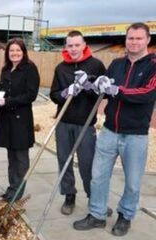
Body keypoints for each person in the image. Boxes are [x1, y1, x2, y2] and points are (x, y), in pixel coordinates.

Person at [74, 22, 156, 237]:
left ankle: (125, 216)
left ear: (148, 40)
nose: (134, 42)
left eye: (139, 38)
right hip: (110, 130)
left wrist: (116, 89)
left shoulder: (154, 65)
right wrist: (90, 82)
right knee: (98, 176)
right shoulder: (117, 64)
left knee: (132, 182)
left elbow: (146, 93)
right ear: (125, 40)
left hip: (135, 135)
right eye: (131, 38)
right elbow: (105, 89)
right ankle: (97, 214)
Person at [49, 30, 106, 215]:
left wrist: (87, 87)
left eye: (77, 45)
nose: (73, 49)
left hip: (86, 122)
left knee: (87, 163)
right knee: (64, 160)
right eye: (70, 45)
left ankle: (94, 198)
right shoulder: (61, 68)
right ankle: (69, 195)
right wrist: (67, 92)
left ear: (84, 45)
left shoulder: (96, 65)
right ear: (66, 46)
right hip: (64, 122)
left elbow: (102, 93)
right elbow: (54, 94)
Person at [0, 38, 40, 202]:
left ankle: (18, 192)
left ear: (23, 52)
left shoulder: (30, 69)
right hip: (6, 119)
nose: (14, 53)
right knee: (11, 157)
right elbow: (1, 92)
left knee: (21, 158)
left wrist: (8, 101)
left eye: (18, 50)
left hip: (21, 120)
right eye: (11, 50)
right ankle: (11, 188)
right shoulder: (6, 69)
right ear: (7, 52)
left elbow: (30, 95)